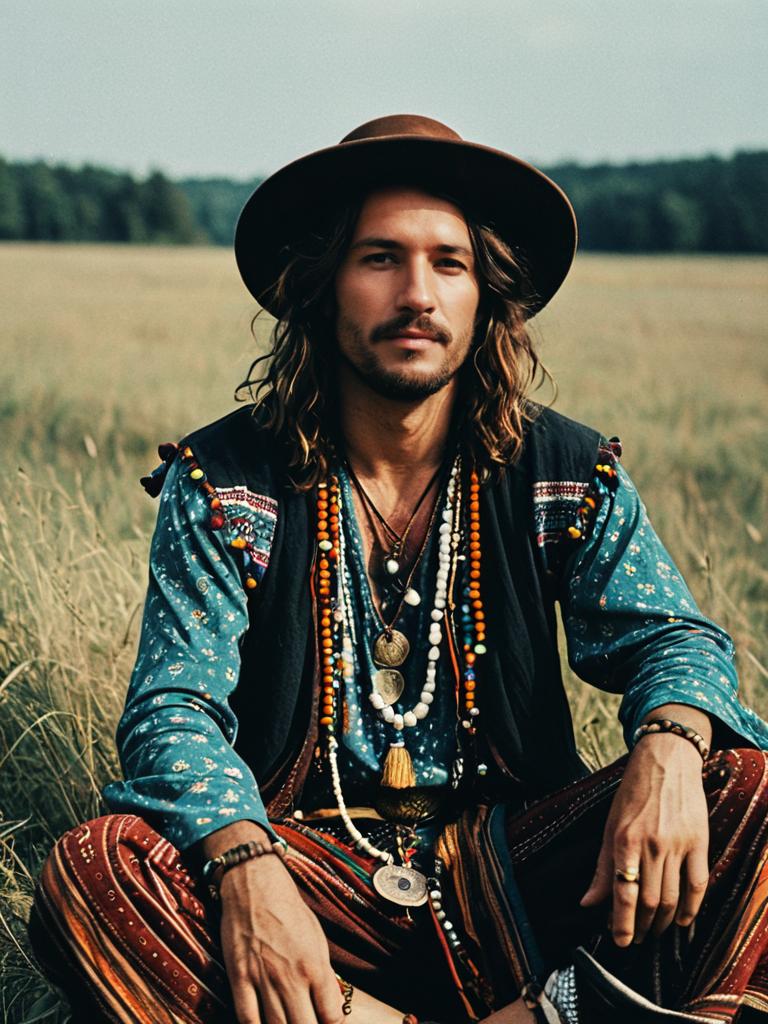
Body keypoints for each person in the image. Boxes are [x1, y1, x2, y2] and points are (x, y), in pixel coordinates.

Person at [29, 115, 768, 1024]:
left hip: (520, 876)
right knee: (97, 870)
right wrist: (246, 867)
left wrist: (668, 748)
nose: (417, 294)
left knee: (750, 790)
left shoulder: (565, 474)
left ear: (485, 294)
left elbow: (672, 638)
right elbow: (170, 711)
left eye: (448, 263)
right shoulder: (225, 483)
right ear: (324, 284)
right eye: (380, 257)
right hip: (310, 881)